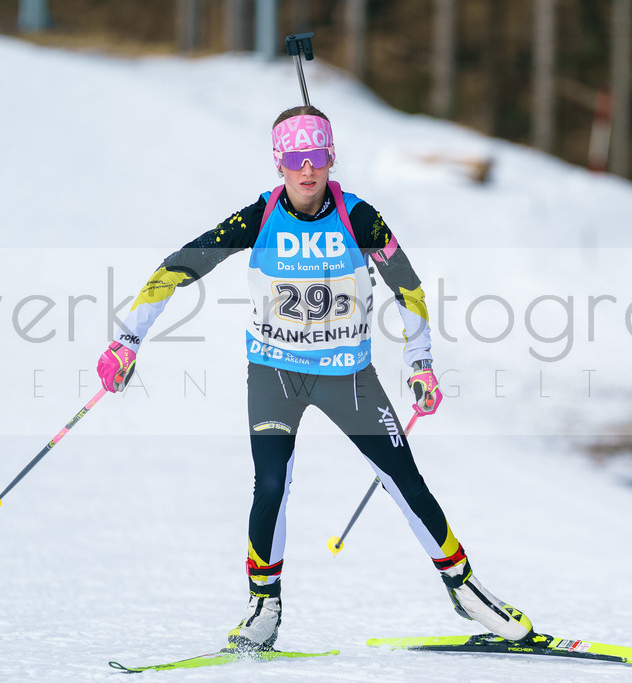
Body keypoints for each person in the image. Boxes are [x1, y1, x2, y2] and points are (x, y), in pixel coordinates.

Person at [95, 105, 532, 651]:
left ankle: (465, 590)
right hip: (276, 373)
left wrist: (420, 363)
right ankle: (264, 606)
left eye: (318, 156)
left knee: (404, 479)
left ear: (331, 158)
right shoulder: (259, 217)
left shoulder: (359, 217)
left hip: (348, 377)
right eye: (297, 158)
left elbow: (409, 288)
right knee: (272, 484)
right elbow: (181, 266)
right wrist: (127, 340)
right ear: (279, 163)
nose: (308, 170)